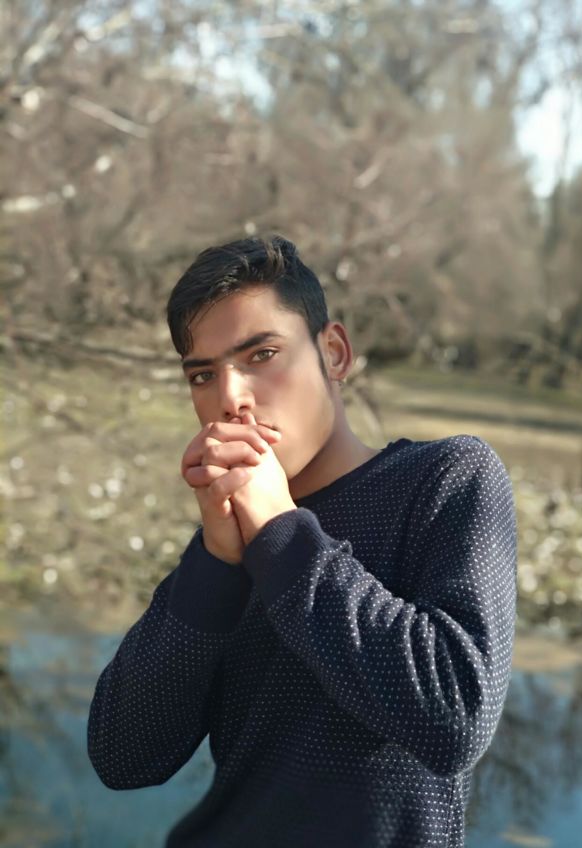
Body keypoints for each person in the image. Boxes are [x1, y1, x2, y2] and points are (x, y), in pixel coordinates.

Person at [87, 234, 518, 848]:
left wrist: (281, 533)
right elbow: (121, 756)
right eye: (203, 375)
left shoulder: (444, 478)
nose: (230, 399)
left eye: (261, 354)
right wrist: (215, 561)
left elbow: (456, 718)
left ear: (333, 353)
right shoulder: (231, 540)